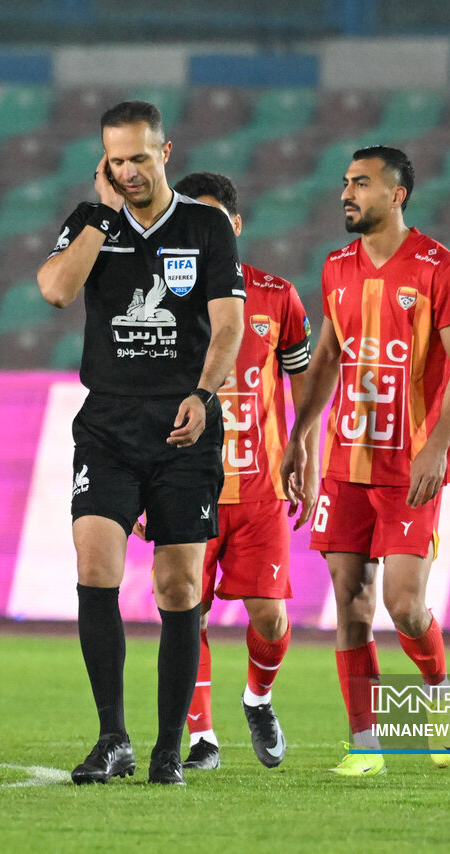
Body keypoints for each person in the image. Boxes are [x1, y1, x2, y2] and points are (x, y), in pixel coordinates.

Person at [37, 101, 246, 786]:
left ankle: (167, 748)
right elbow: (55, 291)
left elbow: (227, 326)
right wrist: (101, 217)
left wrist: (204, 395)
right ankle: (112, 738)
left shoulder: (206, 226)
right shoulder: (91, 220)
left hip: (185, 424)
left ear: (166, 153)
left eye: (139, 157)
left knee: (178, 584)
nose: (128, 171)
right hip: (108, 423)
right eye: (116, 160)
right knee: (95, 563)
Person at [281, 146, 450, 777]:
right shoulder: (336, 267)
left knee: (405, 605)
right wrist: (299, 436)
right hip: (347, 464)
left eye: (361, 183)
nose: (347, 193)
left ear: (397, 195)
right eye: (346, 182)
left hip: (409, 466)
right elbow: (325, 360)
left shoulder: (440, 268)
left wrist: (437, 446)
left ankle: (439, 691)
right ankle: (365, 745)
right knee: (350, 601)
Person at [164, 172, 317, 772]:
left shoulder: (277, 296)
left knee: (271, 617)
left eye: (216, 222)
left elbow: (305, 385)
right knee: (186, 612)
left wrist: (305, 450)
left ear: (236, 226)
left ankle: (258, 698)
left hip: (259, 489)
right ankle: (202, 738)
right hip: (186, 482)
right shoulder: (161, 296)